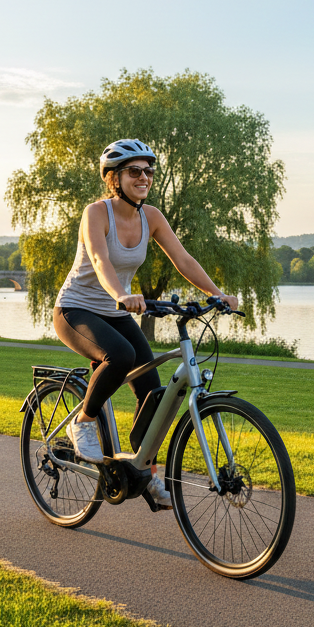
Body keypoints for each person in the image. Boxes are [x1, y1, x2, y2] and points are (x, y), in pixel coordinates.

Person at [53, 138, 239, 508]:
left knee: (154, 393)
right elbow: (100, 259)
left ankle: (144, 470)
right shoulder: (96, 213)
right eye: (134, 171)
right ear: (114, 178)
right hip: (76, 310)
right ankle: (84, 421)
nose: (144, 177)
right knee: (120, 355)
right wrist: (121, 294)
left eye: (149, 171)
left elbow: (182, 259)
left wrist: (218, 294)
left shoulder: (150, 216)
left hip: (117, 312)